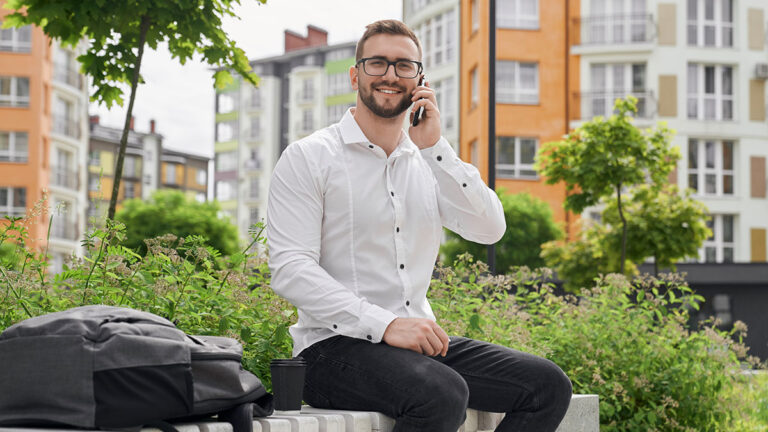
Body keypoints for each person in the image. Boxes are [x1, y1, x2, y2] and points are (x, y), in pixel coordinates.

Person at [267, 19, 572, 432]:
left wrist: (436, 149)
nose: (390, 75)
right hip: (331, 349)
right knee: (442, 393)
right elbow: (291, 269)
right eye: (377, 63)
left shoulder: (428, 161)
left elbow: (489, 229)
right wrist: (386, 324)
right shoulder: (309, 158)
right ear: (356, 74)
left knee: (547, 386)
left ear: (420, 80)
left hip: (417, 348)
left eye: (404, 66)